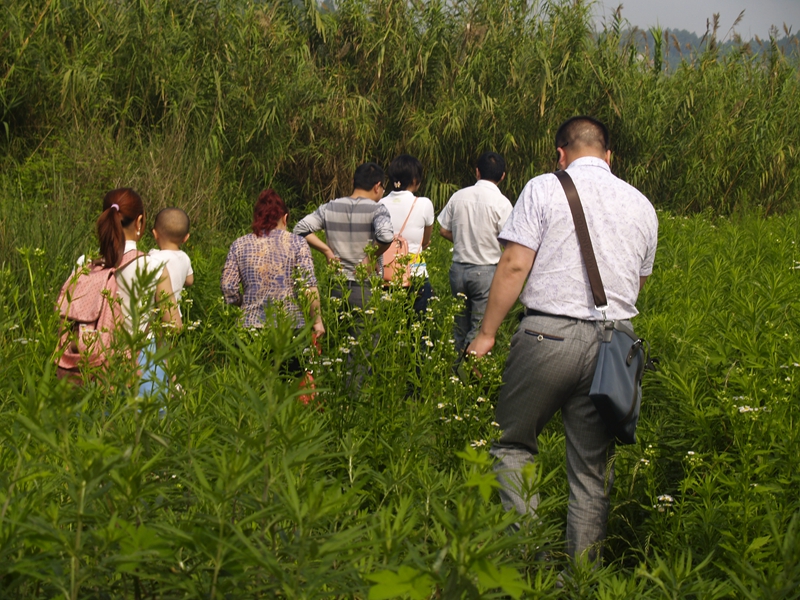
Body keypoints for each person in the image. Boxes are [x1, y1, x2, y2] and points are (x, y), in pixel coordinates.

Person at [466, 117, 658, 564]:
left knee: (512, 444)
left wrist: (486, 333)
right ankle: (581, 581)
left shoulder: (543, 188)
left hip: (547, 335)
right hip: (614, 348)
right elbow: (636, 284)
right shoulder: (642, 204)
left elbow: (515, 264)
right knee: (591, 472)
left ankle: (529, 564)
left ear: (560, 154)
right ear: (609, 156)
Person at [79, 188, 182, 396]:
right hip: (141, 365)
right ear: (139, 221)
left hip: (91, 364)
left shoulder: (85, 263)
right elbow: (174, 325)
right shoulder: (153, 267)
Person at [221, 189, 324, 338]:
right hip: (289, 325)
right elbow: (309, 287)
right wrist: (317, 321)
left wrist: (245, 301)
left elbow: (228, 287)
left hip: (250, 327)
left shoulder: (239, 245)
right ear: (285, 218)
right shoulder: (297, 243)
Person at [438, 151, 512, 352]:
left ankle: (455, 366)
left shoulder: (459, 196)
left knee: (459, 328)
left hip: (458, 270)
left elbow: (443, 229)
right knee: (479, 328)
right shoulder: (502, 203)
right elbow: (510, 241)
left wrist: (464, 241)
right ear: (503, 176)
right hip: (486, 271)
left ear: (477, 172)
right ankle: (468, 366)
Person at [293, 162, 394, 310]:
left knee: (338, 324)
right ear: (377, 186)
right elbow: (385, 236)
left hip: (336, 284)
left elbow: (300, 229)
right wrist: (370, 258)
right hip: (364, 285)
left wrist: (327, 251)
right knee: (365, 324)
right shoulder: (377, 209)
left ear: (353, 182)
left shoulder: (330, 207)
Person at [379, 154, 435, 312]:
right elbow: (425, 241)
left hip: (385, 274)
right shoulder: (424, 204)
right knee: (419, 322)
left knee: (388, 322)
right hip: (416, 273)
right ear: (415, 180)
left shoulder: (379, 203)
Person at [149, 207, 194, 314]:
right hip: (175, 313)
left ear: (155, 234)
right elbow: (190, 280)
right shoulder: (185, 257)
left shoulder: (154, 257)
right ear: (186, 238)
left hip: (155, 314)